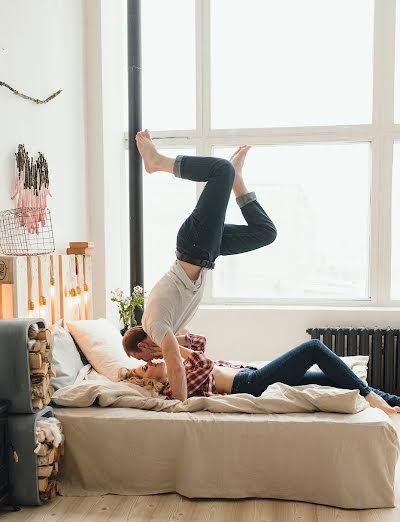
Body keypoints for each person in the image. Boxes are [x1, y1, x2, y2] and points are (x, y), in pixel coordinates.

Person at [128, 130, 277, 400]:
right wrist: (166, 352)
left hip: (194, 245)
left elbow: (174, 361)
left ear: (144, 344)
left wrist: (181, 409)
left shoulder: (156, 323)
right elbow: (198, 345)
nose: (150, 362)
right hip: (207, 252)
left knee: (220, 170)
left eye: (143, 358)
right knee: (266, 232)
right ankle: (238, 178)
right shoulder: (170, 328)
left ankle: (157, 162)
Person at [120, 335, 400, 415]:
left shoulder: (173, 358)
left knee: (329, 380)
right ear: (151, 379)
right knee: (313, 349)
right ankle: (372, 398)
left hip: (251, 373)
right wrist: (175, 350)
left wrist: (168, 341)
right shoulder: (173, 388)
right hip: (251, 384)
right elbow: (204, 363)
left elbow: (200, 341)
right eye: (144, 364)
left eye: (143, 358)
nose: (151, 361)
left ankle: (390, 400)